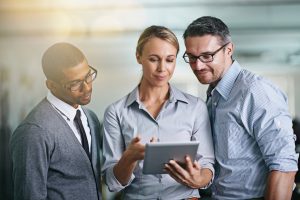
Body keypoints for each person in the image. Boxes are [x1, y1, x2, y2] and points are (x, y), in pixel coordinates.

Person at [182, 16, 299, 199]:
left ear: (228, 50)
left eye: (207, 56)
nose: (198, 65)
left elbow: (284, 165)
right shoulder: (214, 94)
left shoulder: (256, 91)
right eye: (191, 57)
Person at [101, 25, 215, 199]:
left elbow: (207, 164)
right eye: (154, 59)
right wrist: (129, 158)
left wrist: (198, 179)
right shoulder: (116, 112)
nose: (162, 68)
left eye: (169, 60)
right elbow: (112, 183)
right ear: (138, 57)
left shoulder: (195, 108)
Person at [10, 42, 102, 200]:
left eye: (88, 76)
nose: (86, 88)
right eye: (75, 83)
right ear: (51, 85)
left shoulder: (90, 118)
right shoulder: (33, 132)